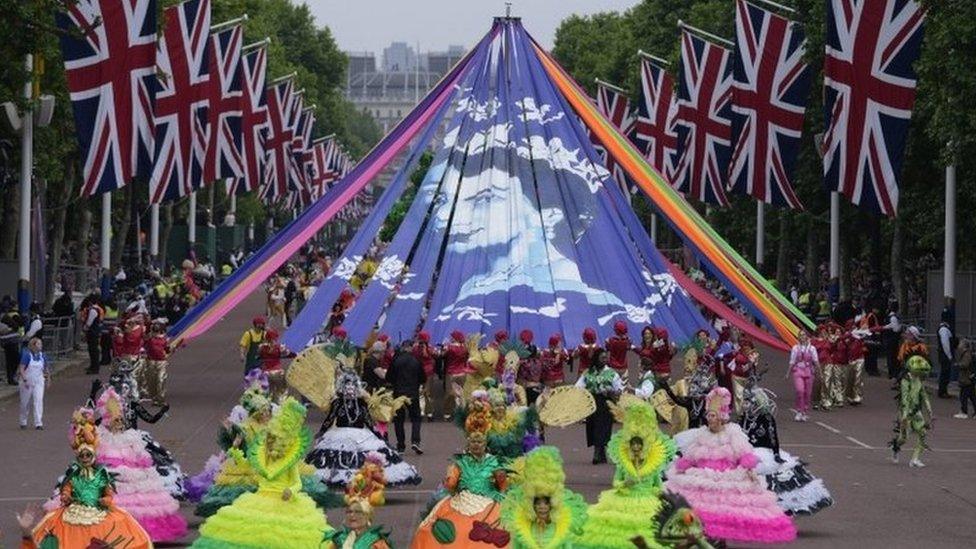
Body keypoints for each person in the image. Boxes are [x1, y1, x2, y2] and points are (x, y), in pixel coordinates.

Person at [191, 398, 334, 548]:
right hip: (260, 498)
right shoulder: (261, 459)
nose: (270, 444)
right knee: (250, 534)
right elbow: (244, 464)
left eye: (274, 441)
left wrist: (290, 491)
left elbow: (297, 482)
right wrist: (235, 448)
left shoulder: (288, 462)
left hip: (284, 501)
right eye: (269, 440)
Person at [665, 387, 796, 544]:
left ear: (721, 417)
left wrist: (750, 471)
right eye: (708, 415)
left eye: (712, 415)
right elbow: (692, 456)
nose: (709, 419)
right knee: (696, 513)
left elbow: (744, 455)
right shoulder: (702, 434)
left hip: (725, 481)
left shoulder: (732, 434)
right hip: (702, 481)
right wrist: (682, 467)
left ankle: (718, 541)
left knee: (721, 516)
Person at [23, 407, 151, 548]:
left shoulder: (101, 476)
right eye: (82, 456)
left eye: (88, 455)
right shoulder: (74, 476)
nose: (85, 458)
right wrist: (66, 496)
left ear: (93, 456)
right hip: (74, 511)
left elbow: (108, 494)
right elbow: (66, 489)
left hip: (98, 511)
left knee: (116, 527)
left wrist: (105, 500)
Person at [76, 387, 188, 541]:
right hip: (109, 476)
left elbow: (144, 460)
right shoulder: (100, 436)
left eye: (120, 419)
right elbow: (85, 444)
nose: (118, 422)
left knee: (137, 495)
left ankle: (133, 530)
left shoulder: (130, 437)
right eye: (115, 420)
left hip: (129, 475)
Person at [575, 400, 677, 549]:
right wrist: (625, 484)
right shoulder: (624, 464)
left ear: (644, 445)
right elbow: (616, 482)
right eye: (633, 444)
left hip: (648, 502)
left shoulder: (653, 465)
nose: (636, 447)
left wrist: (654, 493)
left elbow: (659, 485)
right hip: (624, 500)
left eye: (639, 444)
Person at [410, 406, 508, 548]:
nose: (476, 445)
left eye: (479, 442)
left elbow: (503, 486)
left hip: (489, 499)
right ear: (468, 444)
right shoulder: (460, 462)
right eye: (473, 442)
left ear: (485, 444)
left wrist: (501, 478)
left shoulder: (494, 461)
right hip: (461, 498)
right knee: (434, 530)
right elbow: (451, 486)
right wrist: (450, 479)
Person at [306, 368, 422, 487]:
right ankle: (346, 480)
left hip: (360, 435)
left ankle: (361, 479)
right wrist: (322, 431)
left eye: (352, 385)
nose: (349, 389)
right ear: (342, 387)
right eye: (347, 385)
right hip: (339, 434)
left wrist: (379, 436)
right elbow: (330, 419)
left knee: (362, 457)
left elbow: (368, 421)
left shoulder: (361, 403)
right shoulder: (338, 402)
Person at [499, 446, 587, 548]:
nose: (542, 507)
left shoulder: (563, 528)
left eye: (546, 503)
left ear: (552, 505)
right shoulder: (521, 529)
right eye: (538, 503)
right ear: (532, 506)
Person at [325, 455, 393, 549]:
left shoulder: (377, 543)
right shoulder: (339, 540)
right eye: (349, 511)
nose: (352, 515)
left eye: (357, 512)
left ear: (367, 516)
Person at [575, 348, 623, 464]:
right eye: (602, 358)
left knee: (602, 428)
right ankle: (601, 453)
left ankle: (596, 454)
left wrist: (612, 392)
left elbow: (620, 388)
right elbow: (578, 386)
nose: (605, 360)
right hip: (592, 403)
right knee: (593, 427)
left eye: (606, 358)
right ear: (596, 358)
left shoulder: (612, 373)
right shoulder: (588, 373)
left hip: (606, 404)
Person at [890, 355, 933, 467]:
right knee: (904, 438)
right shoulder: (906, 380)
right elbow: (905, 398)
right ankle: (895, 446)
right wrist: (904, 415)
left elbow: (924, 395)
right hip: (906, 411)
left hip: (916, 411)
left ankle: (915, 459)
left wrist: (929, 411)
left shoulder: (919, 380)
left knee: (922, 433)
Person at [387, 339, 426, 454]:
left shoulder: (396, 360)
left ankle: (401, 446)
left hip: (398, 393)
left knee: (399, 420)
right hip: (412, 393)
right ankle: (415, 441)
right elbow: (423, 378)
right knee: (416, 418)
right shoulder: (416, 360)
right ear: (410, 347)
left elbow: (389, 377)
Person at [18, 337, 49, 430]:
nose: (41, 346)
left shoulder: (43, 356)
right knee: (25, 402)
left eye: (41, 344)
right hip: (27, 381)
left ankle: (38, 423)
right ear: (33, 345)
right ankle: (23, 420)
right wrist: (24, 380)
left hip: (39, 381)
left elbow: (46, 368)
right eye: (39, 344)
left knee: (38, 401)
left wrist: (48, 379)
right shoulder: (27, 355)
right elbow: (22, 368)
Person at [788, 331, 818, 422]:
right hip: (798, 370)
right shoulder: (795, 348)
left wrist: (819, 372)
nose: (802, 337)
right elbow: (792, 361)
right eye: (800, 335)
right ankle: (799, 411)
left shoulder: (812, 348)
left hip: (809, 371)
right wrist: (788, 372)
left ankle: (804, 411)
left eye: (804, 335)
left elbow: (816, 361)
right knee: (800, 390)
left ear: (806, 337)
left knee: (807, 393)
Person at [442, 330, 470, 420]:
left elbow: (441, 354)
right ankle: (461, 411)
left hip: (451, 373)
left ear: (454, 338)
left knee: (449, 393)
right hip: (462, 372)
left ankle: (447, 413)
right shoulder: (465, 348)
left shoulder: (449, 347)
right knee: (461, 393)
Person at [142, 319, 171, 406]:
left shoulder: (164, 340)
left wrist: (171, 349)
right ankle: (155, 399)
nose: (156, 332)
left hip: (161, 362)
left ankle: (161, 399)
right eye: (155, 330)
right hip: (151, 362)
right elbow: (143, 341)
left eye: (157, 331)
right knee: (151, 381)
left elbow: (167, 350)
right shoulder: (149, 339)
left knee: (160, 379)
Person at [413, 331, 437, 419]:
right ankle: (430, 413)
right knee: (429, 392)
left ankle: (421, 411)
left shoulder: (415, 348)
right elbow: (436, 355)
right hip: (429, 371)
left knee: (420, 392)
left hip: (418, 371)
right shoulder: (430, 348)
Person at [954, 338, 976, 419]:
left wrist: (958, 365)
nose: (959, 345)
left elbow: (965, 364)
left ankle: (964, 412)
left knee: (963, 396)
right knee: (972, 396)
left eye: (960, 343)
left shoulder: (966, 354)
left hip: (966, 378)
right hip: (967, 378)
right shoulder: (965, 353)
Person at [1, 307, 23, 384]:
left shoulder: (4, 317)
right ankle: (12, 377)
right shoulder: (4, 317)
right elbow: (16, 326)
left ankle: (11, 378)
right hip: (11, 340)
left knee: (10, 360)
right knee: (14, 359)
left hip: (6, 341)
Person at [882, 304, 903, 379]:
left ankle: (891, 372)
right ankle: (893, 373)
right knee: (893, 356)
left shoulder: (887, 317)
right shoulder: (893, 318)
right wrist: (901, 326)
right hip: (892, 339)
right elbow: (896, 329)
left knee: (890, 356)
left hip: (888, 339)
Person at [937, 311, 954, 399]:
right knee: (945, 374)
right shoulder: (944, 329)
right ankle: (942, 391)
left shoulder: (944, 328)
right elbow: (945, 344)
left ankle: (943, 390)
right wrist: (949, 356)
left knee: (945, 373)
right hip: (945, 355)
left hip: (943, 355)